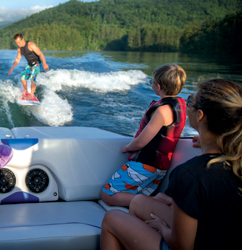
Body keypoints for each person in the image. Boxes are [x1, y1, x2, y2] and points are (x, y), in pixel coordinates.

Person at [100, 79, 242, 250]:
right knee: (138, 202)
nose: (187, 105)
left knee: (112, 217)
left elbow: (182, 245)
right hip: (221, 236)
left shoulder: (190, 174)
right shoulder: (234, 159)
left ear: (200, 115)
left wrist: (163, 228)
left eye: (190, 101)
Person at [100, 64, 187, 207]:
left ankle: (158, 200)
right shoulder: (182, 106)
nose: (151, 84)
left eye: (151, 82)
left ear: (158, 87)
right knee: (139, 195)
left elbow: (141, 142)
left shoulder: (162, 111)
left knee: (108, 195)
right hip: (161, 167)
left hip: (145, 164)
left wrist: (127, 147)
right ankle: (155, 201)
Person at [8, 33, 49, 99]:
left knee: (32, 79)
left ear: (23, 39)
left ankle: (31, 95)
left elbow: (41, 54)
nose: (18, 44)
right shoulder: (19, 49)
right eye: (17, 43)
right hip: (29, 64)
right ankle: (26, 91)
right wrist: (12, 68)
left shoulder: (31, 45)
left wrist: (44, 64)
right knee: (22, 78)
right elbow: (18, 59)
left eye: (19, 42)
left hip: (37, 64)